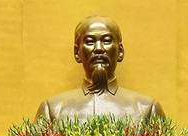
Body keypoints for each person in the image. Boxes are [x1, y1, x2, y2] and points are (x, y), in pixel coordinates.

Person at [35, 15, 165, 123]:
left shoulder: (146, 109)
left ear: (120, 51)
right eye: (90, 41)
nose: (98, 48)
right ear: (77, 52)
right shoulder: (53, 109)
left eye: (107, 41)